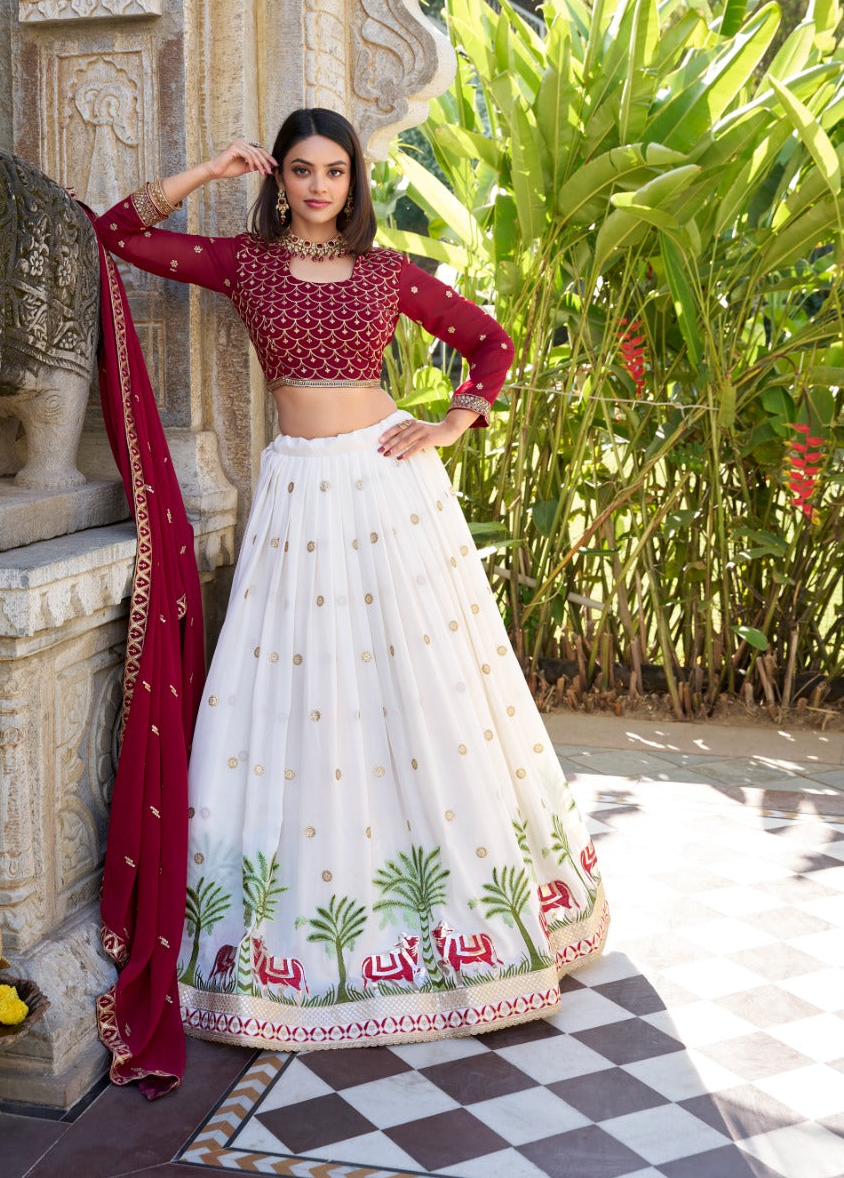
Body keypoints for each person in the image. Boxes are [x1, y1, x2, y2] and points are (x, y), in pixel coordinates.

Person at [95, 107, 607, 1056]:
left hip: (388, 481)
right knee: (307, 701)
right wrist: (207, 167)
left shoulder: (385, 272)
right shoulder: (242, 264)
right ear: (278, 177)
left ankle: (468, 931)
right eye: (301, 169)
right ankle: (309, 941)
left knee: (423, 692)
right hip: (298, 489)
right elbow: (115, 234)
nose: (319, 186)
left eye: (335, 170)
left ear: (354, 180)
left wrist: (454, 421)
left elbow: (489, 344)